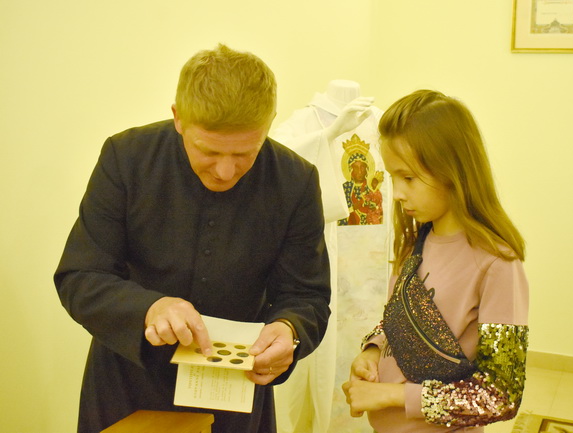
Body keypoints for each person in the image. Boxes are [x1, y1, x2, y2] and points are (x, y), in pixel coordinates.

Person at [54, 43, 331, 433]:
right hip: (126, 380)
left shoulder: (294, 181)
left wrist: (290, 330)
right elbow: (80, 276)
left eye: (245, 153)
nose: (225, 171)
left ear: (269, 124)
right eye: (209, 150)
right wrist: (150, 308)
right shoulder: (126, 158)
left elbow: (306, 296)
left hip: (235, 390)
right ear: (178, 118)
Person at [342, 90, 529, 432]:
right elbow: (396, 320)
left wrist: (392, 396)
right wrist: (373, 350)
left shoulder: (498, 263)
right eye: (393, 177)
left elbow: (500, 395)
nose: (397, 193)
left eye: (408, 178)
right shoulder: (416, 241)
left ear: (451, 171)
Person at [270, 79, 385, 433]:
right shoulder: (302, 122)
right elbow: (275, 168)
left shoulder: (380, 122)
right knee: (321, 357)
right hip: (323, 256)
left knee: (369, 340)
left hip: (374, 258)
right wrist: (329, 135)